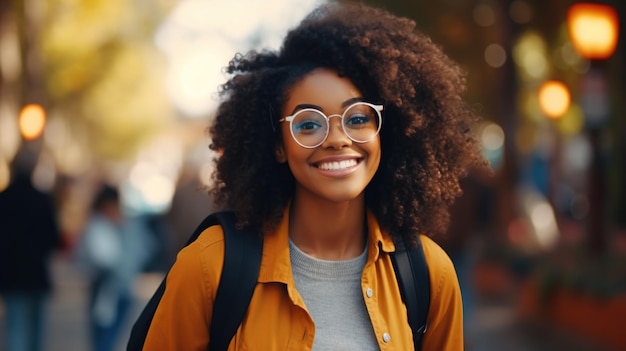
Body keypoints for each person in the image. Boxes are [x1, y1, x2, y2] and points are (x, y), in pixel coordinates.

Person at [143, 2, 486, 350]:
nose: (337, 139)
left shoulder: (428, 273)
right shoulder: (209, 266)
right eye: (308, 124)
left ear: (386, 133)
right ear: (278, 145)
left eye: (357, 118)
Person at [76, 185, 155, 351]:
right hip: (106, 289)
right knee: (103, 339)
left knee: (108, 339)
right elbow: (100, 259)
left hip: (120, 290)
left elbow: (141, 252)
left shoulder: (127, 225)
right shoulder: (97, 226)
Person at [0, 148, 62, 351]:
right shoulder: (41, 199)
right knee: (36, 328)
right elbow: (53, 238)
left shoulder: (4, 199)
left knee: (15, 327)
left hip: (10, 273)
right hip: (35, 272)